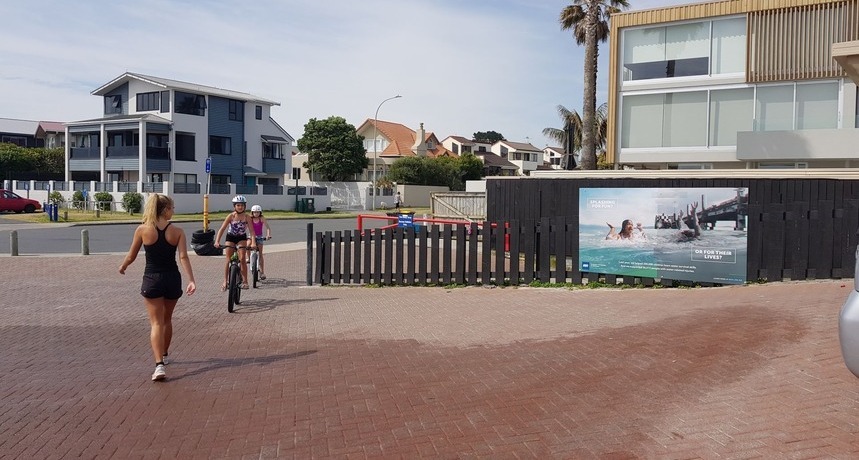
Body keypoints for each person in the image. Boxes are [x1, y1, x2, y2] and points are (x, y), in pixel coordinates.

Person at [119, 193, 196, 382]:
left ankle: (159, 365)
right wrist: (191, 280)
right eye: (172, 208)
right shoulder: (177, 231)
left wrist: (123, 267)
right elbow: (183, 257)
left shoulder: (143, 230)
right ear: (165, 210)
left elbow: (132, 255)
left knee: (156, 323)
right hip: (172, 278)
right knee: (167, 320)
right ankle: (166, 355)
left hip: (152, 278)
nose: (173, 211)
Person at [214, 195, 257, 290]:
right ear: (234, 206)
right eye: (238, 205)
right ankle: (225, 281)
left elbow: (252, 231)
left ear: (245, 206)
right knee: (228, 259)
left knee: (242, 259)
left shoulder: (247, 217)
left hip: (241, 238)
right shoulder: (231, 216)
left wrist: (253, 242)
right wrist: (217, 241)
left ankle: (245, 281)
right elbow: (222, 229)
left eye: (242, 205)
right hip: (231, 237)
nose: (240, 207)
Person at [249, 204, 272, 280]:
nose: (256, 214)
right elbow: (245, 226)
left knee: (260, 253)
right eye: (255, 212)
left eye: (258, 212)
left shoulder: (261, 218)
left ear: (260, 212)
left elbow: (268, 227)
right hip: (251, 236)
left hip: (259, 236)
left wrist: (268, 235)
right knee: (247, 245)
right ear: (252, 212)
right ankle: (248, 258)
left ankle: (262, 272)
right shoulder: (250, 219)